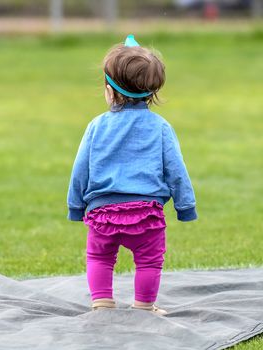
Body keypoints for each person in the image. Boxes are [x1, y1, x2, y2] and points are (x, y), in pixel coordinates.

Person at [67, 34, 197, 316]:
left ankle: (101, 302)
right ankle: (144, 306)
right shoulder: (160, 127)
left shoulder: (96, 126)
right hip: (146, 214)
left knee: (99, 257)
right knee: (149, 262)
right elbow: (176, 170)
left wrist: (76, 206)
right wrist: (185, 207)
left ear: (110, 90)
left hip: (102, 212)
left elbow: (80, 169)